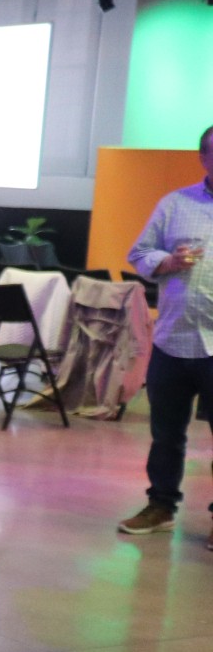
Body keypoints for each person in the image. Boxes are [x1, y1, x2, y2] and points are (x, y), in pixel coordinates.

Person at [119, 125, 213, 544]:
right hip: (173, 341)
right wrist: (167, 262)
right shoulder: (175, 203)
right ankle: (161, 506)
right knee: (166, 434)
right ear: (203, 158)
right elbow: (138, 253)